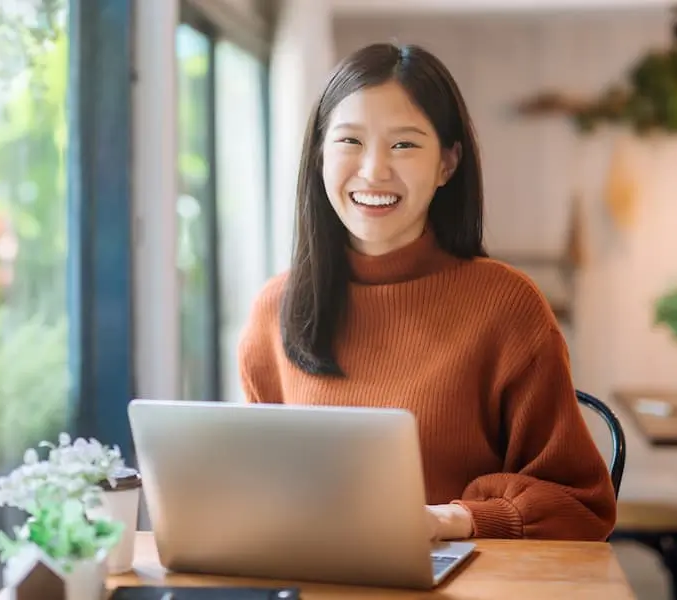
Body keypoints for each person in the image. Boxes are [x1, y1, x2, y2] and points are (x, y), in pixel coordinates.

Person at [238, 43, 616, 542]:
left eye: (404, 145)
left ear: (448, 164)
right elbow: (254, 485)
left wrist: (455, 520)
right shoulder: (276, 308)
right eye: (350, 141)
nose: (373, 171)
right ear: (318, 157)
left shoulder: (506, 306)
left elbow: (582, 504)